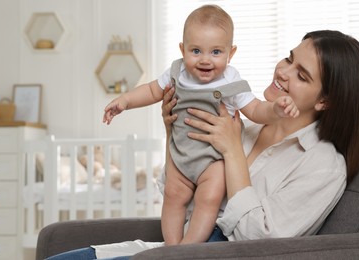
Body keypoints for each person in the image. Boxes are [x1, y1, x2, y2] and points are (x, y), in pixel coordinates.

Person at [46, 30, 359, 260]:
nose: (283, 72)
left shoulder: (323, 163)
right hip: (174, 246)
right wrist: (173, 131)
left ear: (325, 101)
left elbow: (261, 243)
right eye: (289, 59)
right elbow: (176, 191)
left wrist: (232, 152)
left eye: (301, 75)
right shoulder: (242, 123)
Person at [103, 4, 298, 246]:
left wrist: (276, 109)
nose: (205, 60)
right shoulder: (177, 72)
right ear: (182, 50)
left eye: (216, 52)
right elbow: (152, 90)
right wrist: (125, 102)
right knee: (173, 195)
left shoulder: (231, 80)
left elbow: (255, 109)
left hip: (213, 159)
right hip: (181, 151)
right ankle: (172, 248)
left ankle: (188, 249)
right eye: (196, 51)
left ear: (231, 53)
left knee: (210, 198)